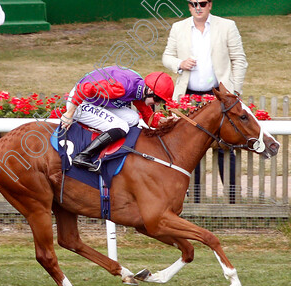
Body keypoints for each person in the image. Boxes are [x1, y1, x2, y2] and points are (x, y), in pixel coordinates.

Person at [162, 0, 247, 203]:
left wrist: (233, 92)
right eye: (192, 4)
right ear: (189, 7)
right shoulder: (178, 27)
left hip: (219, 95)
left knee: (225, 145)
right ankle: (195, 198)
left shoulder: (227, 26)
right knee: (193, 146)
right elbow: (167, 56)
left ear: (210, 5)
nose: (197, 7)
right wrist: (179, 63)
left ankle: (233, 199)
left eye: (201, 3)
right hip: (189, 96)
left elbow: (239, 59)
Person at [59, 66, 175, 171]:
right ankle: (83, 156)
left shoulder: (139, 90)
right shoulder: (122, 87)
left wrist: (164, 122)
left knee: (133, 118)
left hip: (96, 102)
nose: (158, 104)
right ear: (150, 91)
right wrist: (70, 113)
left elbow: (149, 118)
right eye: (157, 100)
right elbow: (83, 89)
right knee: (122, 126)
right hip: (79, 101)